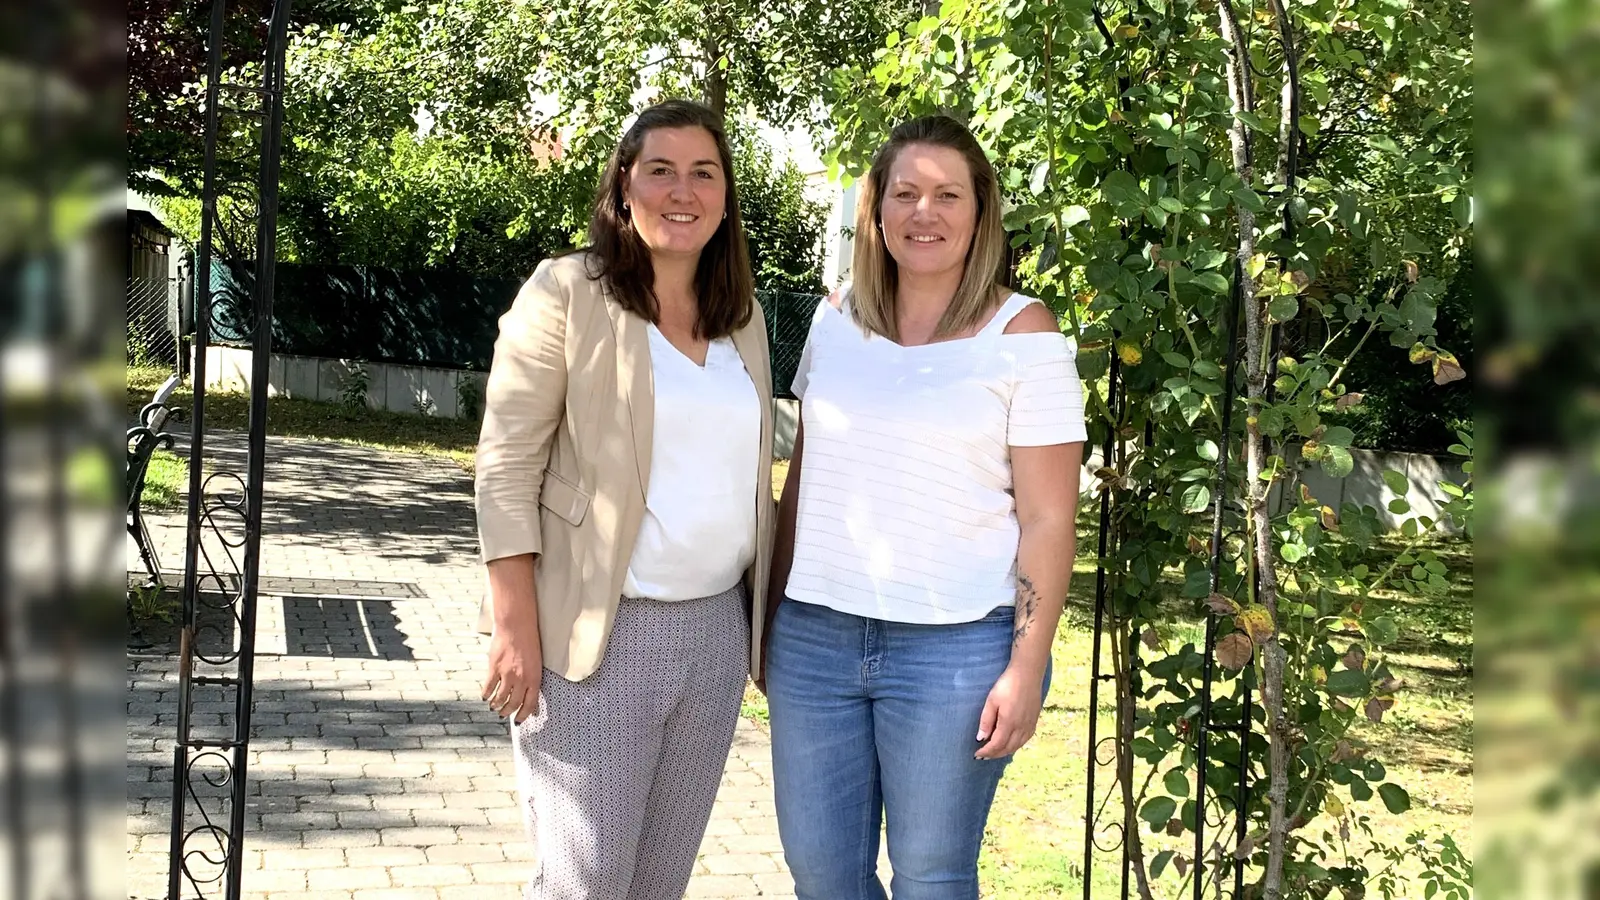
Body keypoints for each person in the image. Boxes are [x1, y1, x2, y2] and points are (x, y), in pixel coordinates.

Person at [763, 115, 1087, 900]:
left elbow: (1049, 520)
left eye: (948, 194)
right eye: (904, 192)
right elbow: (804, 478)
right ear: (876, 210)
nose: (924, 212)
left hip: (956, 654)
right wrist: (770, 617)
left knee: (932, 879)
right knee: (822, 876)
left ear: (981, 212)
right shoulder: (833, 320)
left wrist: (1026, 664)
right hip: (815, 640)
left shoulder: (1027, 334)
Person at [474, 99, 774, 900]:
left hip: (714, 635)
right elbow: (505, 470)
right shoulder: (567, 293)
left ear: (725, 196)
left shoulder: (742, 319)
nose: (684, 191)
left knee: (657, 885)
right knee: (586, 884)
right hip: (594, 638)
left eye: (704, 173)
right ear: (624, 187)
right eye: (661, 171)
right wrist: (513, 630)